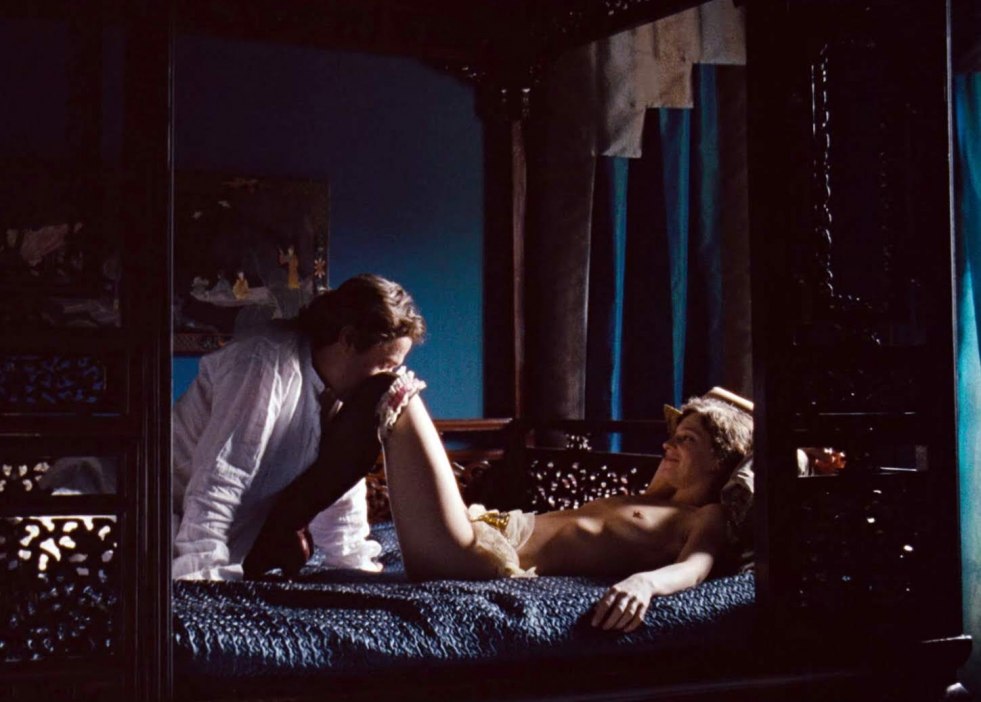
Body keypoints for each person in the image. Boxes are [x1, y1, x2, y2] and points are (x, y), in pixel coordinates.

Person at [245, 379, 754, 636]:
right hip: (484, 528)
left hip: (481, 555)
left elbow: (696, 567)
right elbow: (716, 408)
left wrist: (645, 584)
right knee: (378, 397)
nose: (668, 444)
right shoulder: (648, 497)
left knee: (393, 392)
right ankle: (282, 526)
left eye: (686, 440)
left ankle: (283, 524)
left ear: (721, 460)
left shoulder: (702, 517)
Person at [171, 273, 426, 580]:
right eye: (385, 365)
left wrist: (350, 561)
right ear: (347, 340)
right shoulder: (264, 364)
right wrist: (203, 575)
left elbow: (338, 481)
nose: (387, 377)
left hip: (237, 538)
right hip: (157, 525)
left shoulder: (340, 390)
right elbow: (221, 478)